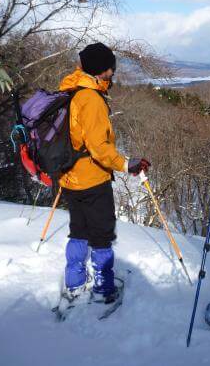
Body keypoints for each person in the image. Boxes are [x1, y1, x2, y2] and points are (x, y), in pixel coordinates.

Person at [58, 42, 150, 303]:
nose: (113, 74)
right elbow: (99, 148)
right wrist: (126, 164)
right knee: (101, 234)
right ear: (101, 70)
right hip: (92, 178)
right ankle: (103, 287)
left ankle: (74, 282)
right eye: (110, 69)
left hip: (70, 177)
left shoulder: (71, 88)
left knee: (78, 230)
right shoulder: (91, 99)